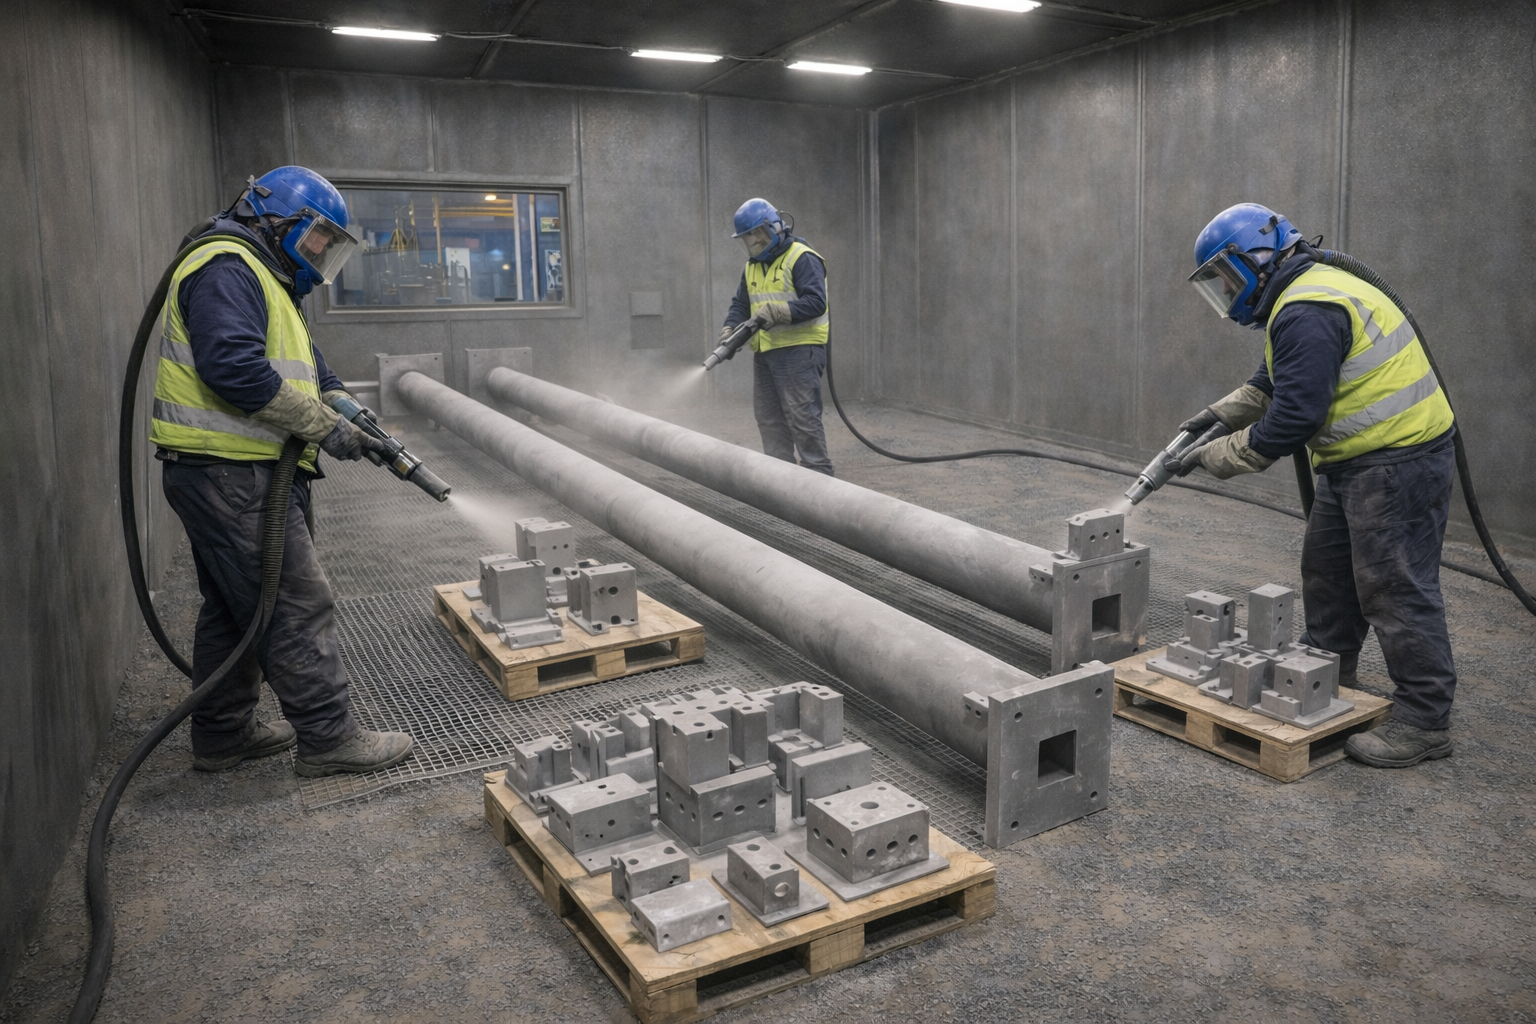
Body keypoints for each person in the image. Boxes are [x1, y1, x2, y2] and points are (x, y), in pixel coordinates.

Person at [1171, 202, 1458, 768]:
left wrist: (1215, 456)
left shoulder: (1308, 307)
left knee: (1393, 587)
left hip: (1398, 459)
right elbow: (1271, 382)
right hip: (1357, 459)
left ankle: (1425, 719)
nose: (1226, 293)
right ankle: (1326, 671)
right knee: (1327, 570)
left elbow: (1294, 417)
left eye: (1226, 278)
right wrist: (1216, 417)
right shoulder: (1297, 296)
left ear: (1257, 257)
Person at [150, 165, 415, 777]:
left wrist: (345, 404)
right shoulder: (227, 267)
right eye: (319, 237)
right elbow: (234, 369)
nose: (320, 253)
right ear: (279, 219)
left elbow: (308, 365)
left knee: (235, 608)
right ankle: (329, 738)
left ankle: (223, 733)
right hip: (231, 473)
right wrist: (326, 428)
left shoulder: (264, 275)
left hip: (229, 472)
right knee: (296, 602)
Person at [720, 198, 834, 475]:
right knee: (769, 419)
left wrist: (779, 311)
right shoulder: (752, 266)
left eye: (758, 233)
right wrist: (729, 329)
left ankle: (818, 478)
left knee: (802, 418)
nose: (754, 241)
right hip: (766, 352)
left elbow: (816, 302)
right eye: (748, 238)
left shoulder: (801, 257)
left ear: (775, 227)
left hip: (800, 351)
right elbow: (740, 304)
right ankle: (780, 480)